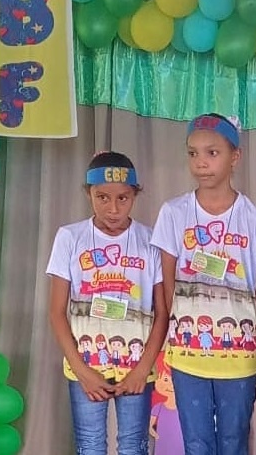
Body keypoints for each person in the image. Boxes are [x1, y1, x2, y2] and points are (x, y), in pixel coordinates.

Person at [151, 113, 256, 455]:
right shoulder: (174, 212)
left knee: (234, 442)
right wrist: (178, 333)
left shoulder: (255, 218)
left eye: (212, 153)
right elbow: (167, 282)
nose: (201, 163)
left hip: (238, 357)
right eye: (192, 153)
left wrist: (248, 338)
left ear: (235, 156)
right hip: (187, 356)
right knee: (196, 443)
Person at [47, 151, 169, 455]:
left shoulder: (150, 241)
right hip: (85, 369)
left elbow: (163, 313)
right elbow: (56, 312)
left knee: (134, 447)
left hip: (136, 371)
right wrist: (82, 371)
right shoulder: (70, 238)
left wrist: (143, 369)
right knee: (89, 447)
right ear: (88, 193)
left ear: (135, 195)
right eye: (102, 198)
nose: (113, 208)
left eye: (123, 198)